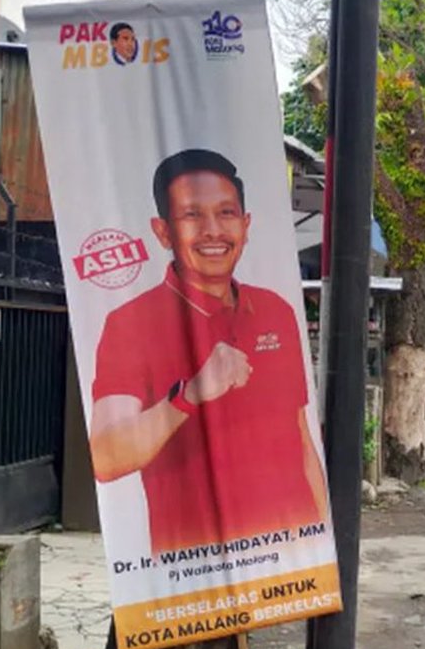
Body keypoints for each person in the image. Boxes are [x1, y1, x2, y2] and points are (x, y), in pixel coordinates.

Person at [89, 148, 327, 555]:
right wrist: (189, 395)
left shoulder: (276, 310)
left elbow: (300, 436)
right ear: (162, 230)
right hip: (197, 570)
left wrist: (323, 543)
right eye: (191, 215)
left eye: (227, 213)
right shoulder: (130, 323)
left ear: (246, 224)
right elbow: (107, 458)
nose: (213, 230)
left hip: (285, 557)